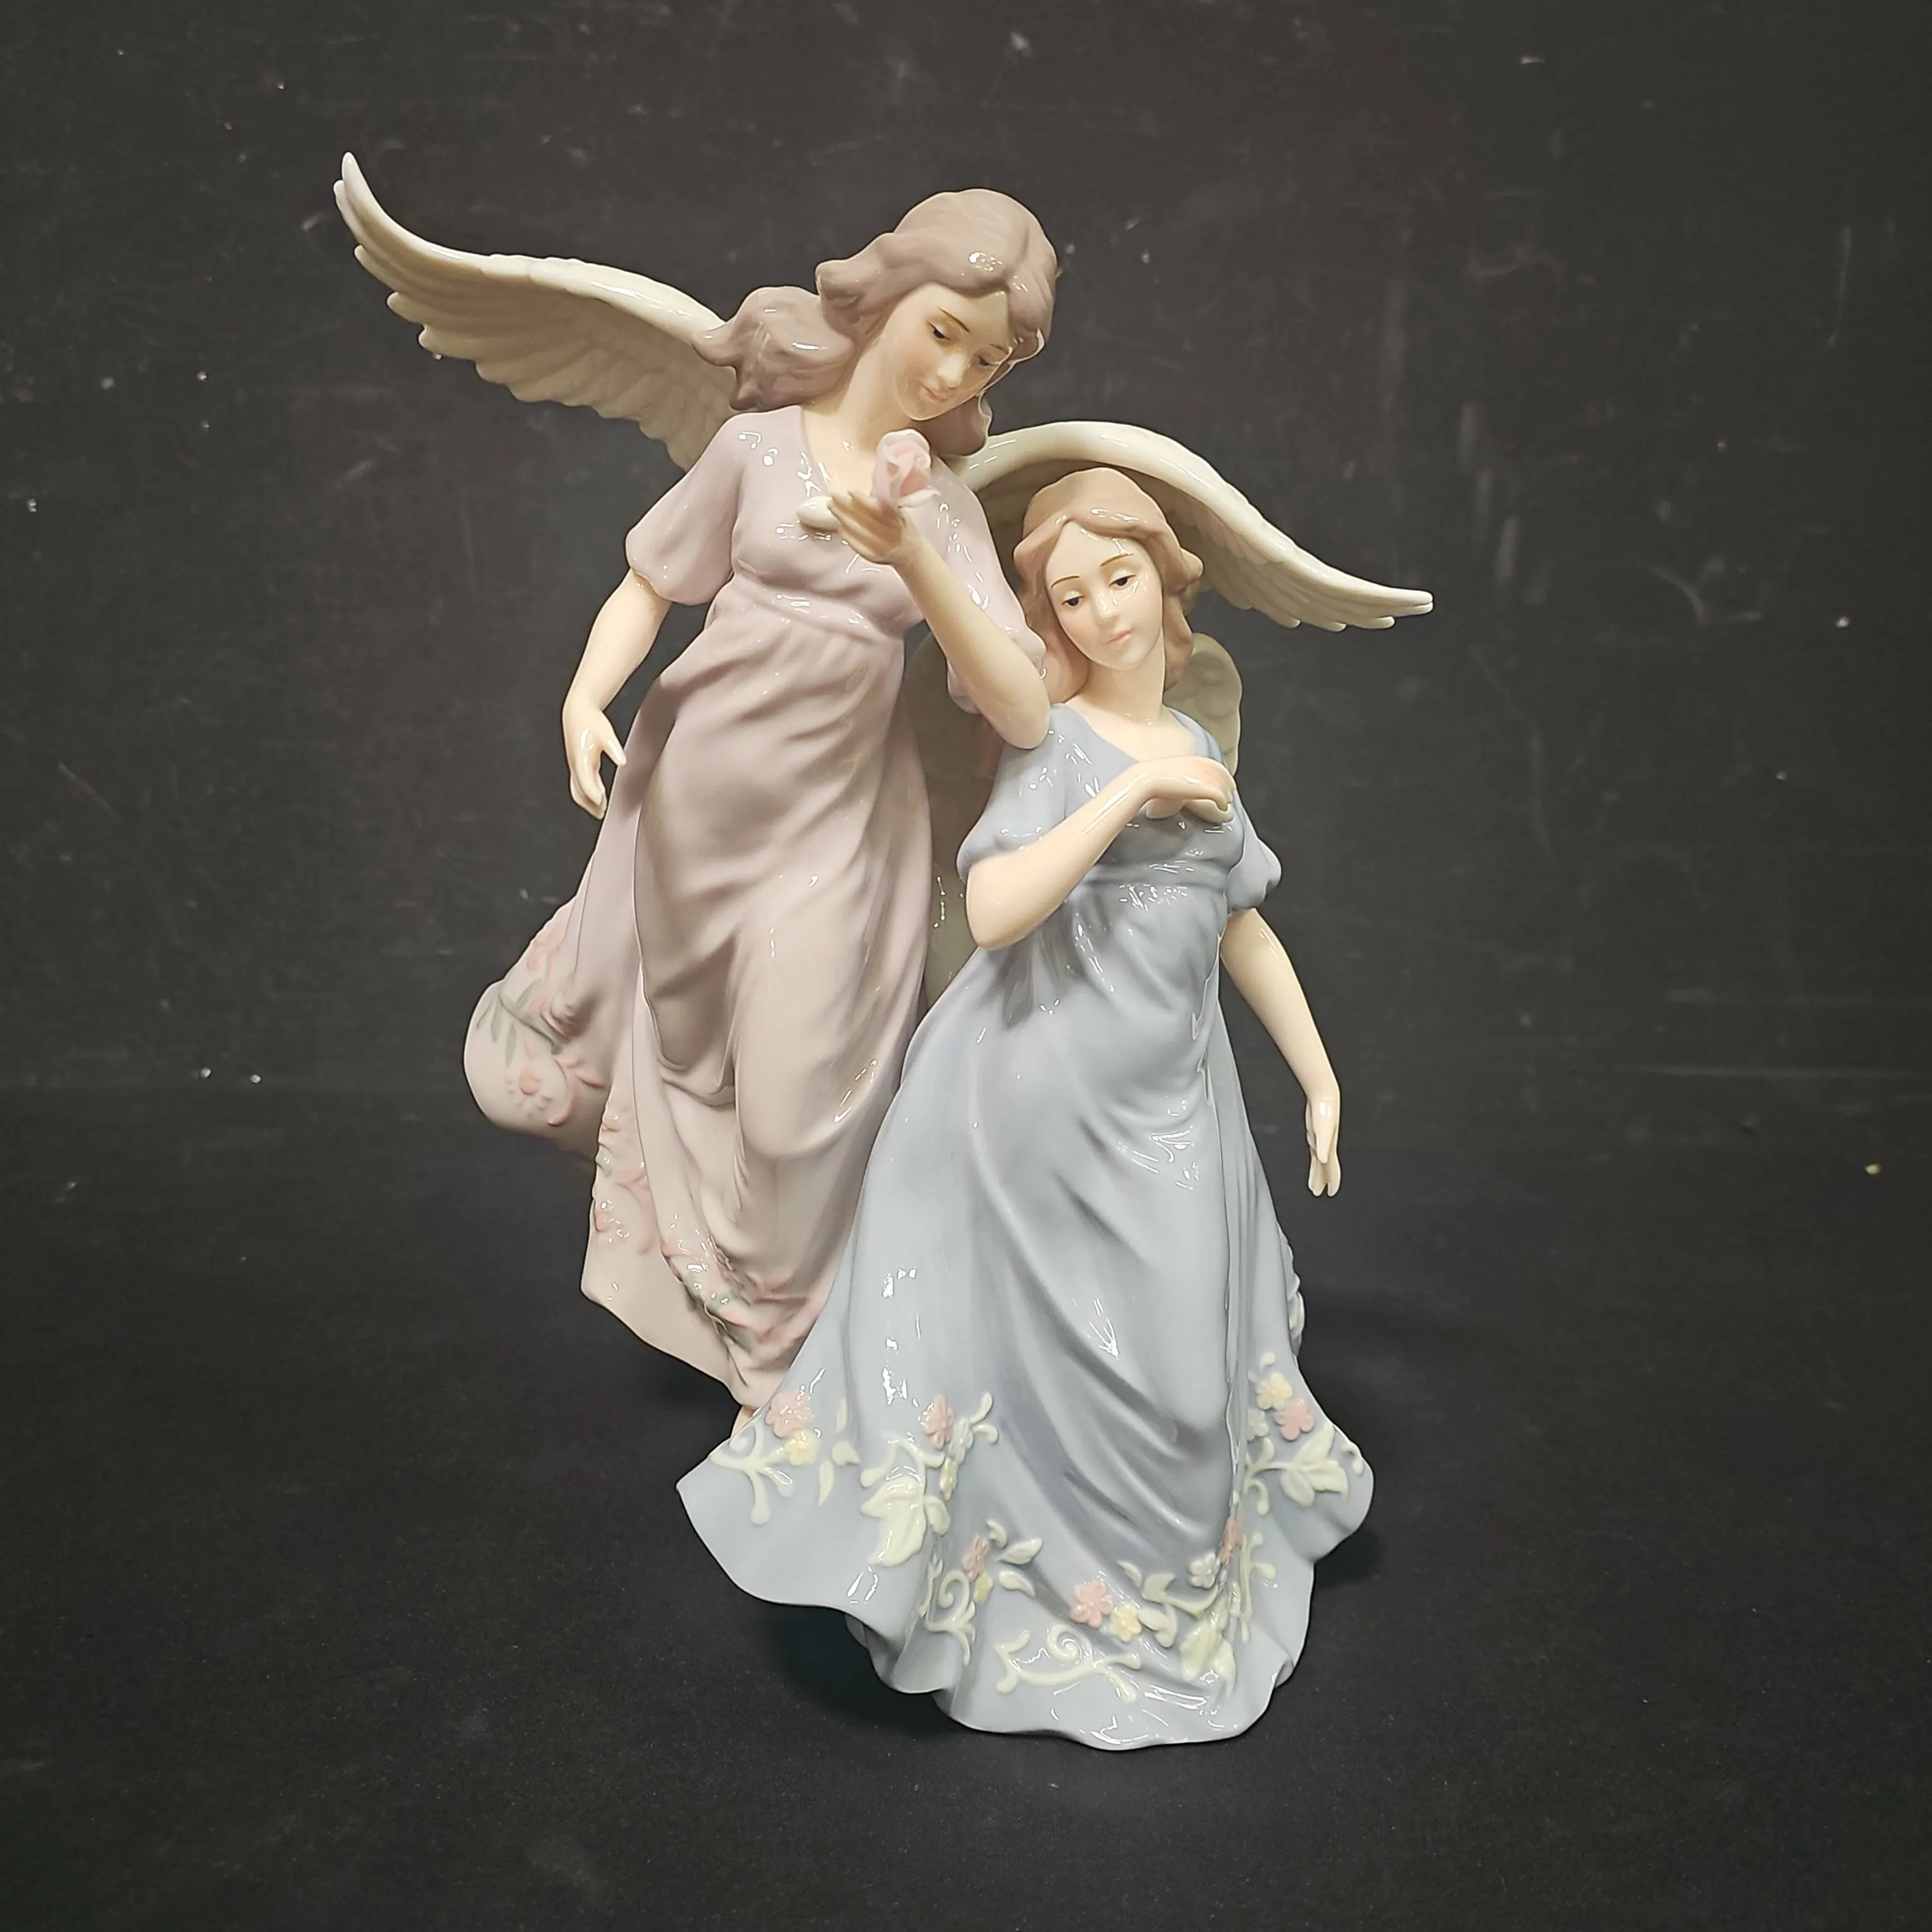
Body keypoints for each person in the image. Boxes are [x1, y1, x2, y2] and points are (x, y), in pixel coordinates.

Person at [680, 470, 1371, 1749]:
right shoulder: (1057, 745)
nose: (1102, 612)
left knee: (1183, 1368)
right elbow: (996, 910)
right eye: (1070, 595)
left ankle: (1170, 1609)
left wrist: (1319, 1078)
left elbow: (1242, 925)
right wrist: (1125, 798)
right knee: (1062, 1357)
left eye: (1120, 579)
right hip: (1038, 1102)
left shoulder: (1199, 743)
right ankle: (1069, 1607)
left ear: (1164, 582)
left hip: (1174, 1106)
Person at [463, 194, 1059, 1407]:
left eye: (987, 362)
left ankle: (781, 1337)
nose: (954, 375)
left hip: (840, 829)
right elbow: (651, 580)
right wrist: (585, 697)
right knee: (695, 1055)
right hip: (700, 802)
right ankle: (753, 1342)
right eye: (944, 333)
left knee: (796, 1109)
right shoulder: (759, 449)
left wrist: (916, 560)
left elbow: (1022, 706)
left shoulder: (945, 510)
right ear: (885, 300)